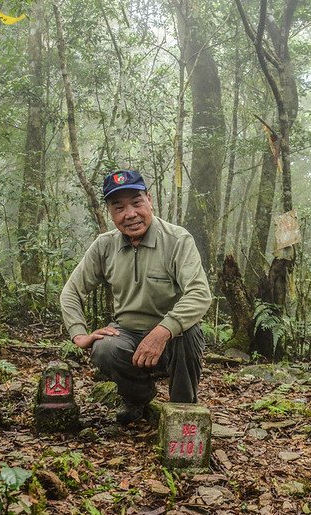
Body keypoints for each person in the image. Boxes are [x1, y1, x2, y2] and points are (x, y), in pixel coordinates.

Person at [60, 169, 212, 424]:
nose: (129, 214)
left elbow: (199, 293)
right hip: (127, 335)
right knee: (105, 348)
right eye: (118, 207)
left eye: (136, 203)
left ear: (149, 200)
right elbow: (71, 291)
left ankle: (183, 411)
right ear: (110, 212)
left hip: (172, 338)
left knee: (189, 333)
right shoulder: (104, 245)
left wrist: (164, 330)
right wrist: (78, 334)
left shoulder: (176, 240)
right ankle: (137, 399)